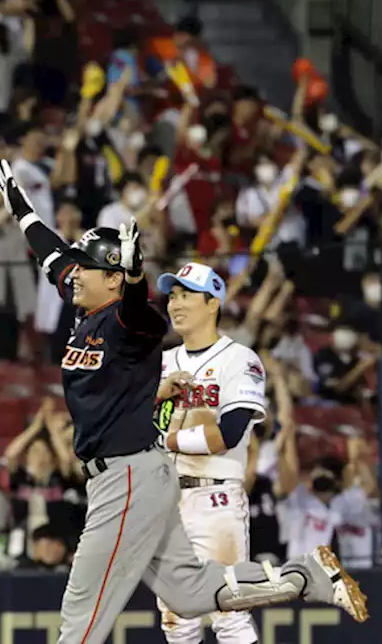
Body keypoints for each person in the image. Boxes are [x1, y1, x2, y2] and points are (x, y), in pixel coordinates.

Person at [0, 159, 367, 644]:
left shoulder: (133, 324)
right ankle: (307, 576)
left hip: (126, 475)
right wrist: (21, 207)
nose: (74, 274)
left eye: (86, 267)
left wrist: (134, 278)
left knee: (80, 614)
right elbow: (50, 254)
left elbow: (137, 309)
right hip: (140, 472)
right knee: (190, 593)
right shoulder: (84, 297)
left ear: (111, 277)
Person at [154, 262, 268, 644]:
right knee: (176, 620)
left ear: (213, 303)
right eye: (172, 296)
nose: (175, 304)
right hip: (167, 498)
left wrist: (167, 442)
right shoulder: (163, 363)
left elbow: (229, 434)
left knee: (229, 613)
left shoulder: (240, 359)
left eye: (186, 295)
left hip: (214, 495)